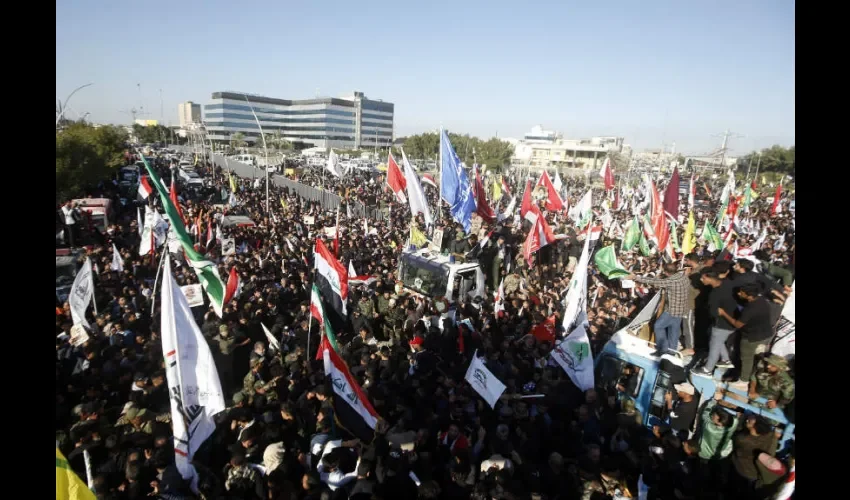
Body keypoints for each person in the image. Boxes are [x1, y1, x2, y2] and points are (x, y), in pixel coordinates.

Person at [717, 283, 776, 384]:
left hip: (751, 338)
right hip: (766, 335)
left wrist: (723, 313)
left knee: (746, 359)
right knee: (757, 357)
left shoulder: (750, 309)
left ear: (749, 295)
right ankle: (752, 375)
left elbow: (737, 324)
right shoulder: (762, 301)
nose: (739, 293)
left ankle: (743, 381)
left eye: (742, 293)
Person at [628, 263, 691, 356]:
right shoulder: (684, 277)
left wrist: (635, 277)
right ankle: (671, 353)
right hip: (681, 311)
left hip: (671, 311)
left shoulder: (671, 281)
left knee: (658, 326)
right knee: (673, 332)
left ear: (666, 272)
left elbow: (653, 281)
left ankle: (663, 349)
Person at [693, 271, 737, 376]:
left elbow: (714, 313)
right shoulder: (728, 284)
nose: (701, 280)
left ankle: (707, 370)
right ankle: (726, 359)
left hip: (721, 324)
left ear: (710, 279)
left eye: (703, 278)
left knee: (714, 345)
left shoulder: (714, 295)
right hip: (733, 319)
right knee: (718, 341)